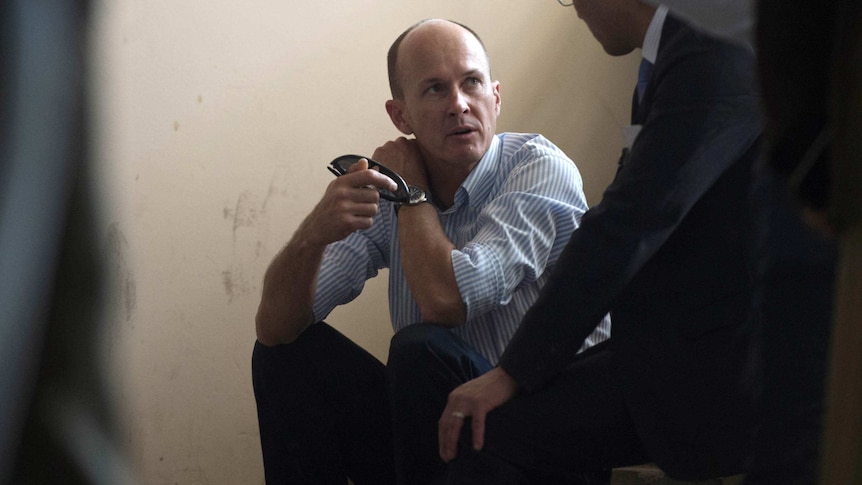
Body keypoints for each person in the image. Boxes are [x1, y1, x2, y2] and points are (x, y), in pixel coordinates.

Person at [251, 18, 610, 485]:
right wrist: (312, 235)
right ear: (401, 117)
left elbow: (446, 302)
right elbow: (274, 327)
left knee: (423, 351)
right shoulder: (390, 186)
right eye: (436, 90)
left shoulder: (539, 168)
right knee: (284, 356)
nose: (459, 105)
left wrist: (412, 195)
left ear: (495, 97)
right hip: (437, 445)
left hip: (546, 445)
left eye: (472, 83)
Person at [437, 1, 763, 483]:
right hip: (668, 345)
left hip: (726, 366)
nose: (574, 12)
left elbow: (627, 224)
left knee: (480, 429)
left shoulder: (709, 46)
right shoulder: (676, 51)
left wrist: (513, 372)